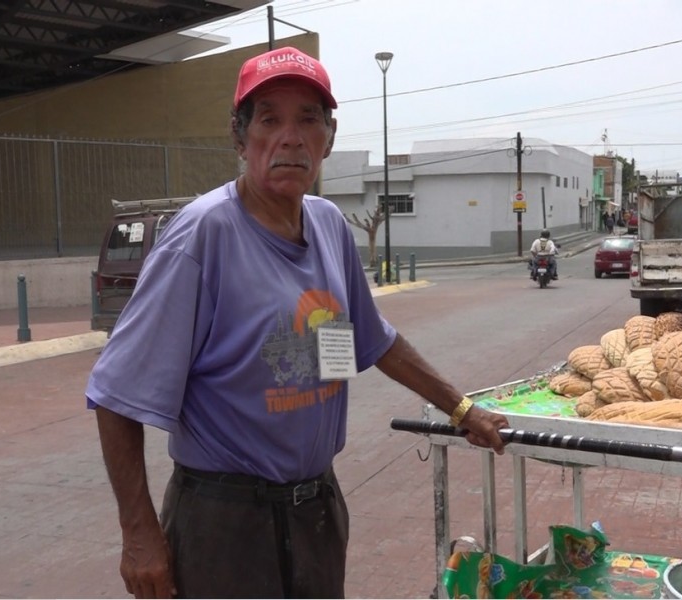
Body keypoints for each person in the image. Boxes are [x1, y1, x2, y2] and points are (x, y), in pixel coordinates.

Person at [85, 46, 510, 599]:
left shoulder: (329, 224)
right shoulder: (202, 237)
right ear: (240, 138)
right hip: (224, 521)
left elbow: (373, 338)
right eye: (269, 120)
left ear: (328, 138)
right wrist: (138, 534)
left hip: (315, 510)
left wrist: (461, 408)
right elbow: (117, 394)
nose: (290, 137)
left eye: (308, 119)